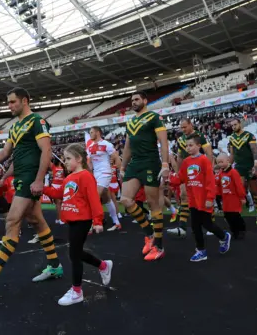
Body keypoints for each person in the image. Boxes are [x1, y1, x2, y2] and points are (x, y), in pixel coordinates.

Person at [0, 88, 63, 295]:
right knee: (36, 221)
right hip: (21, 179)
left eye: (13, 102)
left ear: (25, 100)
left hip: (30, 180)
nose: (9, 105)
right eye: (8, 102)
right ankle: (54, 266)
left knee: (12, 221)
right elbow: (5, 154)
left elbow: (46, 151)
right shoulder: (15, 127)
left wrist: (40, 179)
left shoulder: (37, 121)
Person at [43, 144, 113, 306]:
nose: (65, 162)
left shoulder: (85, 176)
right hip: (73, 221)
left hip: (82, 221)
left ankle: (77, 291)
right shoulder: (69, 178)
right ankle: (103, 265)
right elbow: (59, 193)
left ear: (79, 159)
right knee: (77, 252)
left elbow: (94, 199)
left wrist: (97, 220)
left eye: (68, 158)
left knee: (74, 255)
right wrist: (43, 189)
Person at [119, 91, 170, 261]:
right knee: (125, 199)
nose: (133, 102)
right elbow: (127, 147)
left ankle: (159, 247)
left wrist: (165, 164)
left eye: (136, 99)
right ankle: (150, 234)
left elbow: (163, 142)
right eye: (132, 100)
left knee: (153, 205)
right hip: (135, 164)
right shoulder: (130, 121)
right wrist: (123, 167)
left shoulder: (154, 117)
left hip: (150, 162)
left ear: (145, 101)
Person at [179, 136, 231, 262]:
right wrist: (170, 180)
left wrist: (209, 198)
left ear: (198, 146)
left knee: (207, 224)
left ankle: (224, 237)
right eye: (187, 146)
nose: (188, 148)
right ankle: (201, 251)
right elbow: (181, 177)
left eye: (191, 145)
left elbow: (210, 181)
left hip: (203, 199)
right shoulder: (186, 162)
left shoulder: (204, 160)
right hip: (193, 200)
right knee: (195, 226)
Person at [168, 118, 213, 237]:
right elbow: (180, 156)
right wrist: (178, 173)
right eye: (181, 128)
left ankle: (210, 224)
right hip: (187, 172)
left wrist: (208, 170)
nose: (183, 130)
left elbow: (208, 152)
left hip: (199, 171)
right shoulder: (181, 139)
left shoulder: (200, 136)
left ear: (190, 125)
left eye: (185, 127)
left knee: (203, 197)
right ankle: (182, 226)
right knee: (184, 196)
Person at [227, 118, 257, 225]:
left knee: (255, 191)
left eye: (235, 124)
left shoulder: (249, 135)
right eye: (232, 125)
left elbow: (255, 152)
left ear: (240, 124)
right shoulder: (232, 138)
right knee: (239, 188)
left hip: (249, 165)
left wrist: (255, 165)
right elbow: (232, 155)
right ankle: (237, 213)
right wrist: (228, 165)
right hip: (239, 167)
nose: (233, 127)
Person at [86, 126, 122, 231]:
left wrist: (121, 171)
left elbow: (116, 158)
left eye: (91, 132)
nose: (90, 134)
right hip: (96, 174)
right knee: (106, 198)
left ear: (98, 132)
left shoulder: (107, 144)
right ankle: (117, 223)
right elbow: (90, 164)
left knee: (95, 196)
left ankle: (94, 222)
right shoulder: (90, 147)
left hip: (105, 173)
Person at [215, 154, 246, 239]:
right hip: (226, 199)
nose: (220, 164)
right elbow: (218, 185)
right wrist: (218, 194)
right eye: (218, 162)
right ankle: (234, 231)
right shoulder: (220, 173)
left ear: (228, 161)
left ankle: (241, 230)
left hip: (234, 198)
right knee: (227, 216)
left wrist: (242, 197)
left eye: (222, 162)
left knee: (235, 216)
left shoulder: (233, 172)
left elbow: (238, 185)